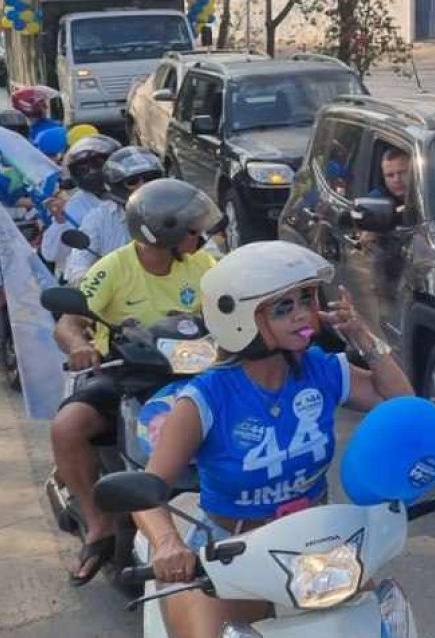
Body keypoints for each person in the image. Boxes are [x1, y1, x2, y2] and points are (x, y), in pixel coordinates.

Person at [130, 241, 412, 638]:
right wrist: (166, 544)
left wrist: (363, 336)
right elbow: (147, 492)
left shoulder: (322, 369)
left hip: (319, 553)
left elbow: (403, 407)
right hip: (229, 555)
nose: (303, 314)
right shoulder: (204, 400)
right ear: (241, 318)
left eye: (307, 299)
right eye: (284, 307)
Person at [49, 178, 220, 586]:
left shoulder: (204, 264)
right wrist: (78, 345)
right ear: (165, 231)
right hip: (128, 375)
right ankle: (99, 526)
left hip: (196, 372)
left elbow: (232, 300)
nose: (200, 236)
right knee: (67, 426)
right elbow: (68, 322)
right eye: (192, 230)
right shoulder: (114, 267)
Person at [60, 144, 161, 284]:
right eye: (132, 181)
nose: (143, 186)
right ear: (118, 186)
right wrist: (98, 282)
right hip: (122, 297)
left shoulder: (178, 209)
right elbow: (77, 267)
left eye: (149, 178)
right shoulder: (98, 219)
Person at [39, 134, 120, 275]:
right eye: (83, 169)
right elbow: (51, 254)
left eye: (97, 164)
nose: (92, 172)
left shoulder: (130, 196)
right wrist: (60, 221)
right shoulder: (76, 206)